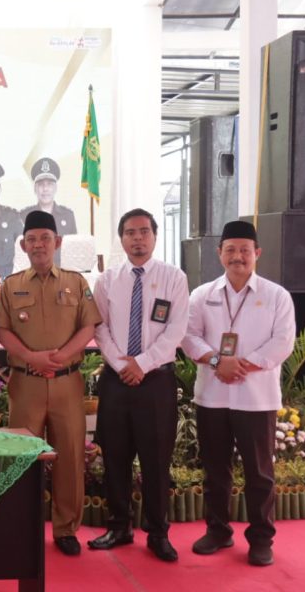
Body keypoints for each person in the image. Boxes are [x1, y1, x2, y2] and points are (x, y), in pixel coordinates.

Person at [182, 220, 295, 567]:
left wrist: (242, 364)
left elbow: (282, 342)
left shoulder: (276, 295)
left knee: (259, 473)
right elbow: (188, 336)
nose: (238, 256)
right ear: (219, 253)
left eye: (245, 250)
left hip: (256, 399)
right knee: (215, 469)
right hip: (212, 397)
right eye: (230, 249)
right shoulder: (202, 295)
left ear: (257, 253)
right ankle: (218, 531)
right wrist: (219, 361)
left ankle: (261, 539)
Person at [0, 211, 101, 556]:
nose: (38, 245)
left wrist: (60, 356)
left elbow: (88, 326)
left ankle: (66, 529)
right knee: (23, 457)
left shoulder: (76, 282)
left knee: (70, 456)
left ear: (57, 242)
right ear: (23, 245)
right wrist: (31, 357)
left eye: (45, 238)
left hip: (66, 383)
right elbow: (3, 331)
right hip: (26, 383)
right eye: (32, 239)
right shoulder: (11, 285)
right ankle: (22, 527)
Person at [87, 209, 189, 562]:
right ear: (122, 239)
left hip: (156, 381)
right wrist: (122, 365)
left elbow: (176, 329)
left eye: (144, 231)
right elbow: (99, 327)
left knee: (156, 459)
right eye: (130, 232)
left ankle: (158, 533)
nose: (137, 238)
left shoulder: (173, 277)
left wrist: (142, 364)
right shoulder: (107, 280)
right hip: (117, 381)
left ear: (154, 236)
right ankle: (119, 527)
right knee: (115, 456)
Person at [21, 157, 77, 235]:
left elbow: (73, 242)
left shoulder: (68, 215)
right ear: (35, 189)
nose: (45, 189)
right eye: (41, 184)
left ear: (55, 188)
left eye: (49, 184)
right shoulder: (24, 216)